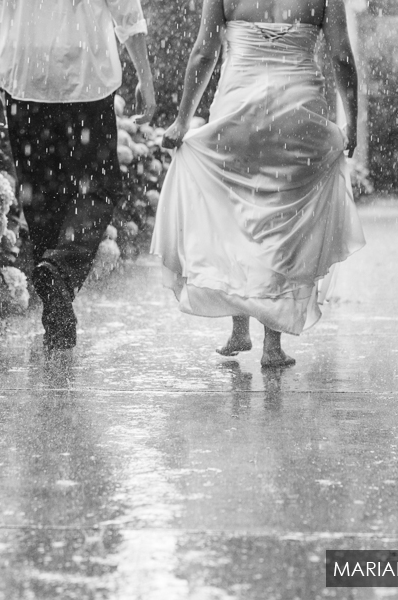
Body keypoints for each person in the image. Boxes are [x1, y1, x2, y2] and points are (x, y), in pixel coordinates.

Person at [151, 0, 365, 368]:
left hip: (239, 112)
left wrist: (182, 121)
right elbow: (342, 56)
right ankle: (272, 344)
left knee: (237, 214)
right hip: (299, 116)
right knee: (283, 222)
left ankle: (239, 328)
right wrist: (353, 122)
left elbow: (205, 52)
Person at [0, 0, 156, 351]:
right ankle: (61, 270)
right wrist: (145, 78)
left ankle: (56, 312)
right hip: (87, 82)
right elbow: (127, 15)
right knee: (99, 190)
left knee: (41, 200)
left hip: (27, 81)